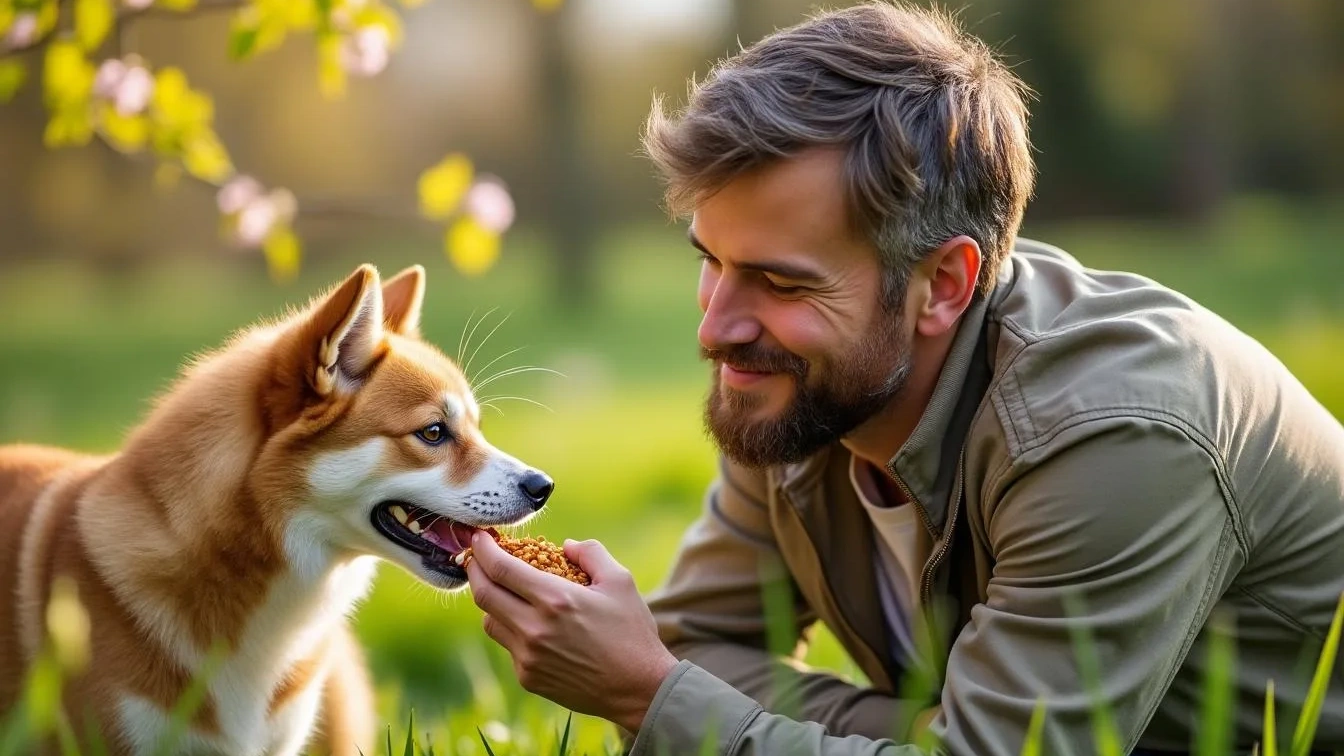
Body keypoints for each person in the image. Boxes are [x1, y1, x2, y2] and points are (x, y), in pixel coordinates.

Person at [463, 3, 1344, 754]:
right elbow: (690, 641)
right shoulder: (796, 391)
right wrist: (919, 732)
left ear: (944, 285)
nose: (717, 328)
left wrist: (655, 702)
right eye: (711, 261)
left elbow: (665, 672)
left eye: (781, 281)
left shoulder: (1111, 430)